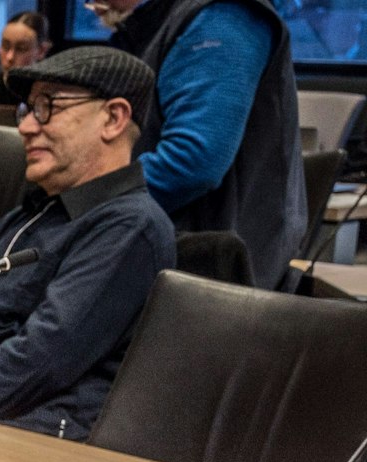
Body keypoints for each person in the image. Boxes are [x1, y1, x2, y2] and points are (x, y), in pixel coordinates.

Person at [0, 48, 175, 439]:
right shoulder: (31, 213)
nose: (24, 126)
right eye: (27, 108)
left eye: (47, 107)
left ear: (113, 118)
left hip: (21, 440)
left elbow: (35, 364)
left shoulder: (128, 228)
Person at [96, 0, 306, 290]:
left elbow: (192, 162)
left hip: (206, 277)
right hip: (153, 245)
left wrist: (87, 201)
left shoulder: (222, 16)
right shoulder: (150, 24)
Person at [0, 11, 52, 126]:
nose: (10, 57)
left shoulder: (52, 92)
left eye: (21, 48)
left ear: (42, 51)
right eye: (5, 46)